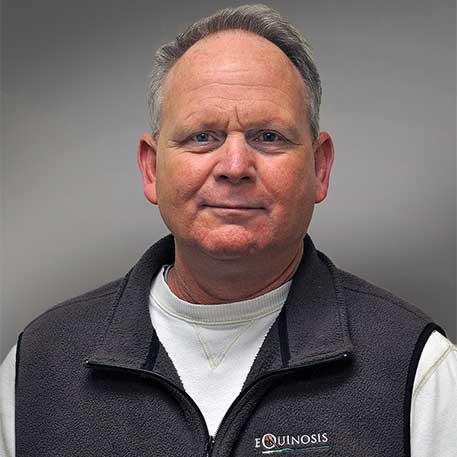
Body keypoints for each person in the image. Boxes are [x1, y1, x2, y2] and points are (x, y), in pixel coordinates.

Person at [1, 4, 456, 457]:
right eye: (202, 137)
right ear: (151, 168)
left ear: (319, 168)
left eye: (268, 137)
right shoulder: (38, 367)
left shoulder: (418, 370)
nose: (235, 166)